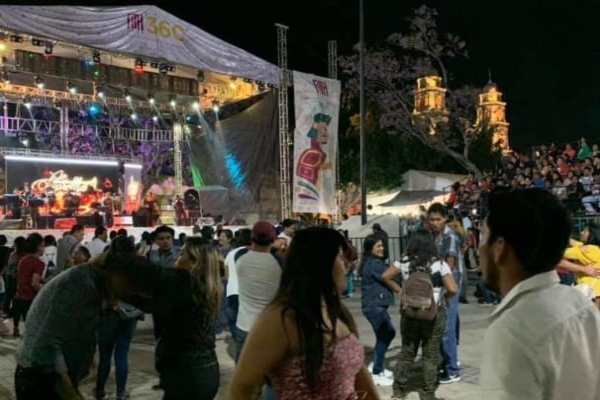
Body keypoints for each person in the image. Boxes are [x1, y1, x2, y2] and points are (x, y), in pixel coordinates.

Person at [230, 227, 380, 400]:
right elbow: (241, 388)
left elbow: (359, 375)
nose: (348, 265)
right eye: (340, 257)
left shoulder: (336, 311)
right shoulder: (281, 320)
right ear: (319, 264)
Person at [479, 189, 600, 399]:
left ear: (500, 248)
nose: (478, 248)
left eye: (483, 236)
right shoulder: (580, 305)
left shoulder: (512, 329)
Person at [14, 237, 145, 400]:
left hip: (56, 374)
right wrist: (71, 392)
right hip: (40, 376)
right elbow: (49, 344)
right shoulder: (81, 284)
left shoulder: (95, 283)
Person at [383, 230, 457, 400]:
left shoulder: (404, 261)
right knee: (430, 355)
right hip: (433, 314)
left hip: (409, 313)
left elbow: (386, 276)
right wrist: (445, 298)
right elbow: (453, 288)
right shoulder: (439, 264)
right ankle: (427, 393)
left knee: (407, 352)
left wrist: (401, 291)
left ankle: (398, 391)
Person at [360, 235, 400, 386]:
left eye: (382, 246)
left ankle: (376, 365)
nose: (382, 248)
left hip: (375, 305)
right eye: (378, 246)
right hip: (374, 306)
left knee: (385, 335)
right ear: (370, 248)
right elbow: (389, 276)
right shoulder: (374, 264)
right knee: (386, 334)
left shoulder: (373, 262)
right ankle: (376, 372)